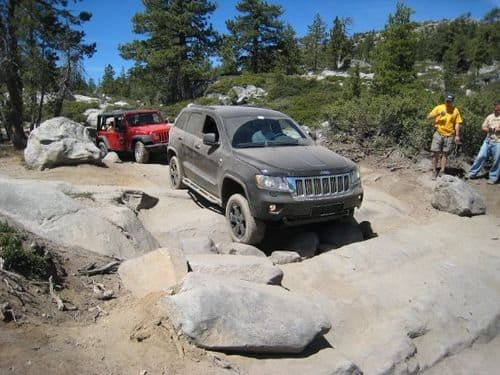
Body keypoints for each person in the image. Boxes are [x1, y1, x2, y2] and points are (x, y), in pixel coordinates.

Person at [427, 94, 463, 180]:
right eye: (447, 100)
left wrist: (457, 135)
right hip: (438, 133)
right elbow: (428, 117)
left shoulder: (455, 110)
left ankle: (442, 171)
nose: (448, 102)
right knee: (435, 153)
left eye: (449, 101)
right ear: (445, 100)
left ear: (452, 101)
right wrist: (438, 114)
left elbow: (457, 123)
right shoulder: (439, 108)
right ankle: (434, 171)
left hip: (449, 135)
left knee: (445, 154)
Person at [469, 100, 500, 185]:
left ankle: (493, 178)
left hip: (498, 142)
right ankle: (472, 173)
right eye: (496, 108)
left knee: (496, 160)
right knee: (481, 156)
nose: (497, 110)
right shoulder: (490, 117)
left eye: (498, 108)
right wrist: (489, 129)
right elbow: (483, 127)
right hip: (488, 140)